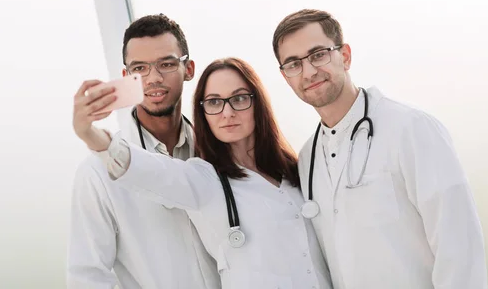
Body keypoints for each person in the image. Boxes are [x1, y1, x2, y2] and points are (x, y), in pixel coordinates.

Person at [271, 8, 488, 289]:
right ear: (286, 76)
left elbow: (460, 245)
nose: (309, 71)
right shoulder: (308, 158)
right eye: (293, 64)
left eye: (318, 55)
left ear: (345, 56)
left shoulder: (410, 129)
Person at [88, 57, 332, 289]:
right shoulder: (204, 181)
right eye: (214, 102)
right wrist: (92, 135)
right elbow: (147, 169)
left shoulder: (294, 171)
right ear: (203, 112)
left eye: (239, 99)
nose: (227, 113)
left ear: (258, 103)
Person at [68, 14, 219, 289]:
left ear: (189, 68)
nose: (154, 78)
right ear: (126, 76)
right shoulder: (96, 174)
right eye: (140, 68)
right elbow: (88, 279)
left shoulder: (218, 151)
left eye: (167, 64)